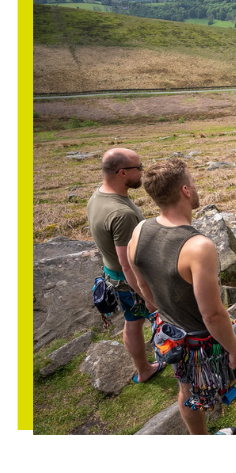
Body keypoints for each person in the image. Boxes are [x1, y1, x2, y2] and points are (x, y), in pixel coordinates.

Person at [127, 159, 236, 435]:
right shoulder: (198, 247)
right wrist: (234, 350)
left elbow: (141, 284)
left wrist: (164, 312)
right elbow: (212, 314)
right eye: (193, 182)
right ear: (186, 191)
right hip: (205, 339)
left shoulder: (140, 231)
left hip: (170, 333)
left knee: (186, 388)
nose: (197, 187)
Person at [86, 148, 161, 384]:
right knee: (164, 322)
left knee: (132, 321)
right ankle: (181, 369)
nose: (142, 172)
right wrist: (147, 295)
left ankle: (144, 369)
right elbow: (127, 264)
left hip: (113, 276)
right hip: (130, 281)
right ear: (122, 172)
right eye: (138, 168)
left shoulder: (98, 197)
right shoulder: (121, 213)